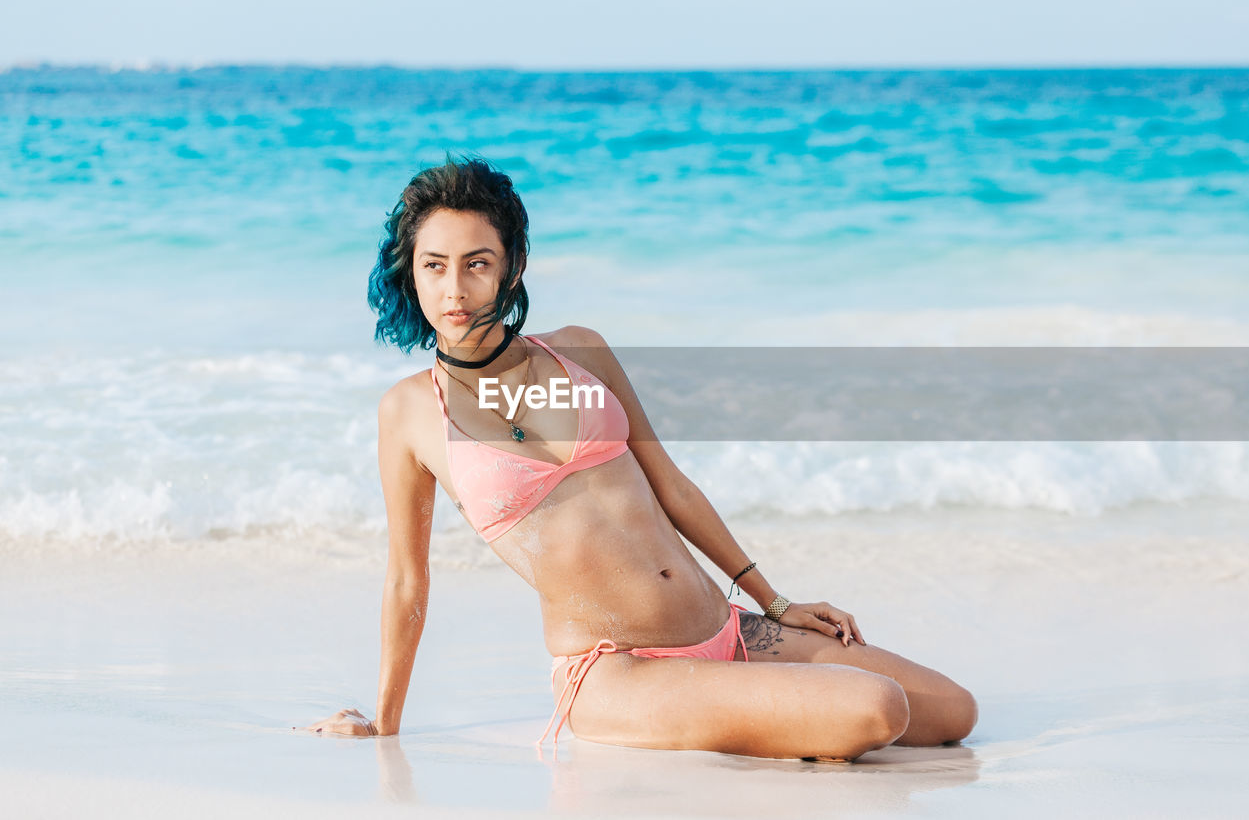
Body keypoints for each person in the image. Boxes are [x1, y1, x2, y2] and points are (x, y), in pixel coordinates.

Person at [305, 156, 977, 759]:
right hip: (618, 670)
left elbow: (671, 485)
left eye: (477, 262)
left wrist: (775, 601)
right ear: (411, 271)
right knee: (877, 705)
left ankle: (777, 707)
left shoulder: (580, 350)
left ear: (510, 266)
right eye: (435, 264)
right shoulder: (410, 413)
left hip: (725, 629)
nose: (455, 289)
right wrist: (384, 721)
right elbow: (407, 582)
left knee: (952, 710)